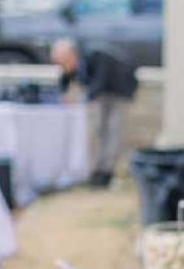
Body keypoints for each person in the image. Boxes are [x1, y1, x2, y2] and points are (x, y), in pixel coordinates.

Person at [50, 38, 138, 187]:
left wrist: (82, 98)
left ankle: (106, 172)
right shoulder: (77, 61)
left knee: (112, 130)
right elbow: (66, 76)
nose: (63, 66)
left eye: (63, 62)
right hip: (103, 90)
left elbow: (99, 83)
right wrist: (63, 93)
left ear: (71, 55)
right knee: (99, 130)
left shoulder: (97, 57)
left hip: (120, 89)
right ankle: (97, 169)